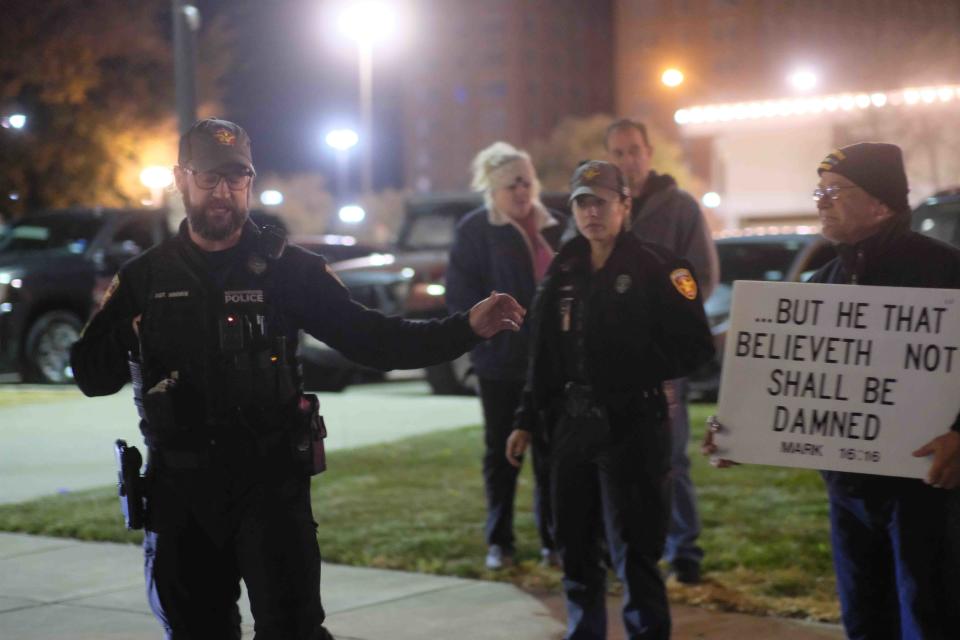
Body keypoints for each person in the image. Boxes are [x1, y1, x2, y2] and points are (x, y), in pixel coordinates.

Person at [69, 118, 525, 640]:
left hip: (270, 484)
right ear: (180, 178)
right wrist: (128, 337)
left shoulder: (287, 270)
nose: (223, 193)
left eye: (237, 180)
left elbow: (374, 340)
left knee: (294, 631)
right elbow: (89, 375)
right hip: (182, 490)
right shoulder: (146, 278)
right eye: (210, 179)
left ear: (251, 181)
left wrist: (466, 327)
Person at [704, 142, 960, 640]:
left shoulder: (946, 273)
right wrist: (738, 428)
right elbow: (786, 379)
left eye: (835, 191)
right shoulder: (826, 282)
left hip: (926, 492)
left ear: (881, 202)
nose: (821, 201)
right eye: (819, 190)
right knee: (865, 621)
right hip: (849, 493)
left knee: (930, 618)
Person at [506, 160, 714, 639]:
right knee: (576, 547)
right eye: (581, 202)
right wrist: (525, 418)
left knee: (636, 551)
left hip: (633, 424)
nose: (590, 212)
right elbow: (543, 355)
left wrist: (632, 362)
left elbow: (697, 347)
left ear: (625, 205)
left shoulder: (661, 267)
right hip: (571, 429)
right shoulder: (563, 271)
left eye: (600, 201)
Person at [604, 118, 719, 584]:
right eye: (617, 152)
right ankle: (630, 550)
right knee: (617, 456)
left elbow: (701, 278)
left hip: (664, 358)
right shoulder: (602, 208)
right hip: (612, 360)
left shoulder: (680, 209)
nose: (627, 160)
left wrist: (660, 324)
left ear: (649, 153)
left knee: (670, 457)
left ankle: (684, 550)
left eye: (634, 150)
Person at [445, 141, 565, 570]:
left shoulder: (556, 226)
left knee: (552, 454)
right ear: (493, 188)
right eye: (512, 183)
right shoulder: (476, 230)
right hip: (501, 362)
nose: (521, 191)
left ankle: (556, 540)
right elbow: (460, 296)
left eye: (527, 181)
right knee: (502, 453)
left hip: (553, 364)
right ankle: (501, 541)